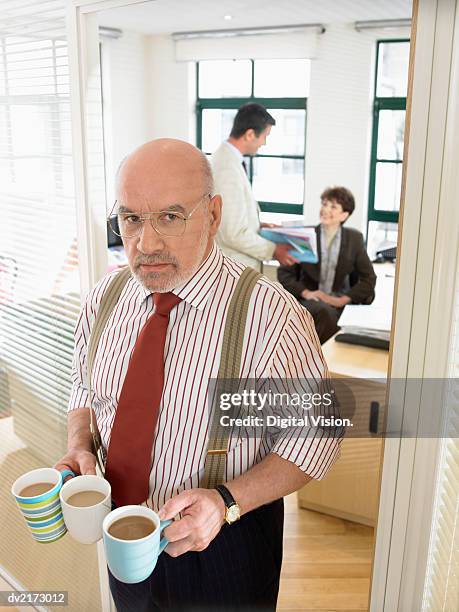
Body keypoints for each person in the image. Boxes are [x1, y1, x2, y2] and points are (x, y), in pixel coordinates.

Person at [55, 139, 341, 611]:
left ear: (213, 214)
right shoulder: (103, 299)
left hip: (225, 549)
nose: (145, 244)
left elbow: (315, 439)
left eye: (170, 217)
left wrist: (226, 501)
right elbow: (84, 386)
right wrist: (80, 445)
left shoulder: (270, 316)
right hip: (123, 537)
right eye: (130, 219)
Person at [278, 187, 376, 345]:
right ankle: (327, 358)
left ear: (344, 215)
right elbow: (284, 273)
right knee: (324, 311)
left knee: (339, 315)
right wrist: (307, 292)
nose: (325, 209)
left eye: (333, 206)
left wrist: (343, 299)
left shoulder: (354, 239)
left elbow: (369, 278)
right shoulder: (305, 235)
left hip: (339, 300)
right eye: (324, 204)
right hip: (310, 299)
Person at [212, 103, 297, 270]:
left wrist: (258, 225)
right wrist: (274, 251)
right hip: (234, 269)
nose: (264, 143)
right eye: (265, 136)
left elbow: (232, 218)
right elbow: (232, 233)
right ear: (250, 134)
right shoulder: (226, 167)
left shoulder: (230, 160)